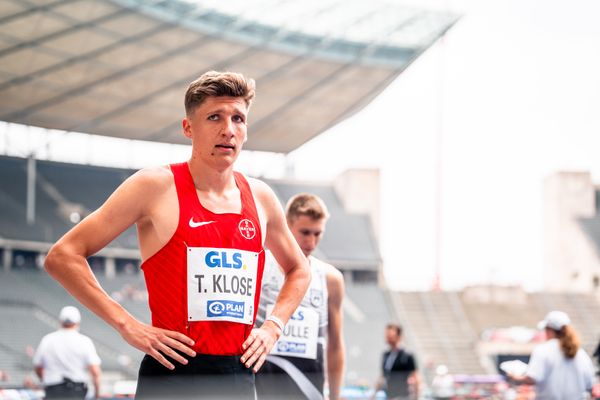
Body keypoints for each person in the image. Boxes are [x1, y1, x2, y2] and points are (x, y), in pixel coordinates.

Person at [44, 71, 311, 399]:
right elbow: (63, 255)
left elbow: (299, 270)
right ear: (188, 128)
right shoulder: (154, 186)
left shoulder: (261, 197)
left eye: (238, 118)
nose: (228, 129)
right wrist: (128, 325)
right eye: (214, 117)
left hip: (237, 373)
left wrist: (273, 327)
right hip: (173, 372)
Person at [255, 193, 345, 400]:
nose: (311, 241)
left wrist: (336, 396)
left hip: (308, 389)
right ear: (286, 225)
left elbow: (336, 344)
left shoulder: (330, 278)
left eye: (317, 233)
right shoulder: (258, 266)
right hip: (262, 385)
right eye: (305, 232)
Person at [509, 310, 595, 399]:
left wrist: (515, 377)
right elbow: (589, 384)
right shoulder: (581, 353)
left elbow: (532, 378)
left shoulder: (543, 350)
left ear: (549, 330)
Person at [33, 306, 102, 399]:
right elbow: (95, 372)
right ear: (77, 323)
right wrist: (97, 394)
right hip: (76, 391)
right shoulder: (84, 341)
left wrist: (44, 379)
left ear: (60, 321)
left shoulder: (48, 340)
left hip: (53, 390)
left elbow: (38, 366)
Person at [373, 323, 420, 400]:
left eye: (391, 335)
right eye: (387, 335)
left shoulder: (407, 355)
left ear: (398, 336)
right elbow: (382, 377)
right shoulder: (386, 355)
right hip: (389, 395)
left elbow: (415, 377)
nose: (388, 337)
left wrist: (416, 397)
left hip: (403, 396)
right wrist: (374, 394)